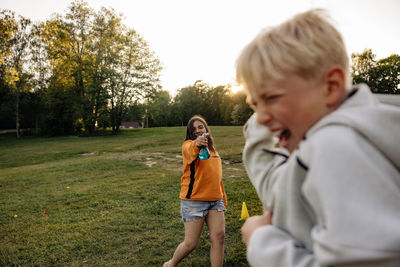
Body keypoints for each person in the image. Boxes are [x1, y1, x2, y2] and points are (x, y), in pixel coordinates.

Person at [235, 9, 400, 267]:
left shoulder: (335, 146)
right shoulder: (363, 136)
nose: (262, 118)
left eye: (271, 98)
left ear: (331, 87)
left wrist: (261, 242)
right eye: (255, 105)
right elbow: (284, 191)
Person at [164, 115, 227, 267]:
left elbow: (216, 176)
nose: (198, 131)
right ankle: (171, 264)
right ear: (190, 134)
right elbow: (191, 148)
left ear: (206, 128)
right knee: (191, 243)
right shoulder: (188, 145)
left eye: (200, 127)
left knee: (219, 237)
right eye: (194, 130)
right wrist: (197, 144)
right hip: (194, 201)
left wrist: (222, 196)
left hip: (215, 200)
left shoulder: (212, 150)